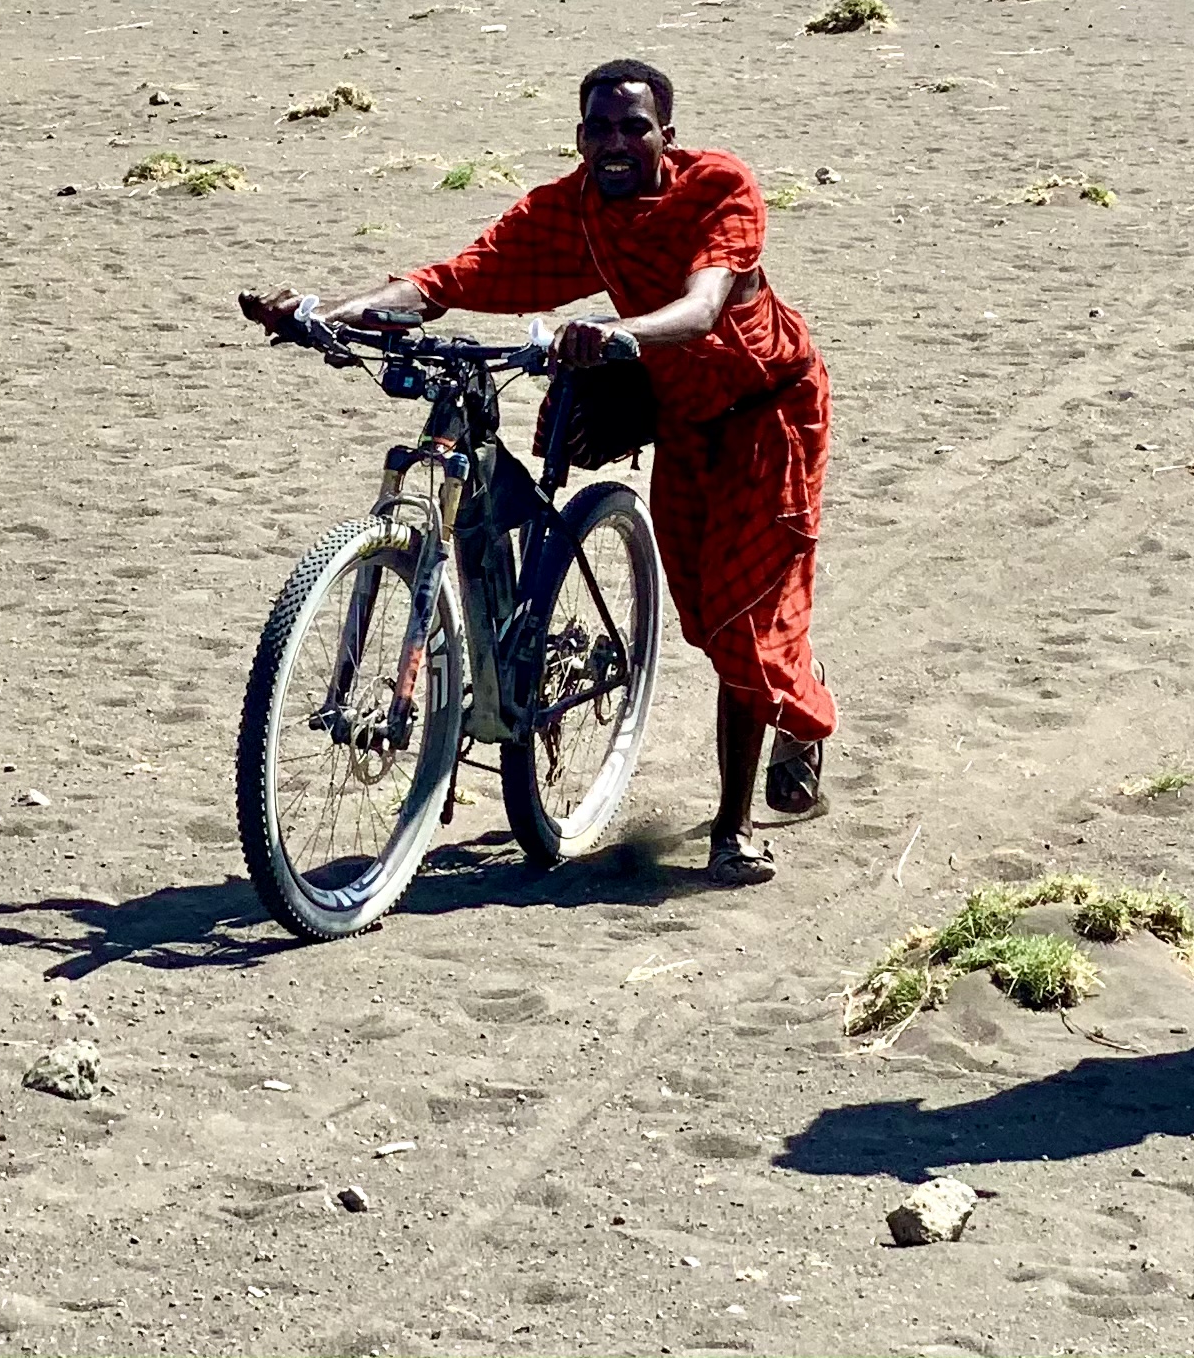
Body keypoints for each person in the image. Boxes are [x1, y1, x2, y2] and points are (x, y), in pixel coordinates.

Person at [298, 57, 834, 884]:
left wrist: (616, 334)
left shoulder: (719, 188)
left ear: (668, 136)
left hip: (769, 418)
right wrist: (322, 314)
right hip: (685, 421)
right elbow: (457, 277)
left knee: (740, 621)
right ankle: (780, 688)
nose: (615, 144)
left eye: (634, 128)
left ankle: (733, 828)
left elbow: (704, 304)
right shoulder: (577, 208)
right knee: (706, 616)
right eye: (600, 130)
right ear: (581, 137)